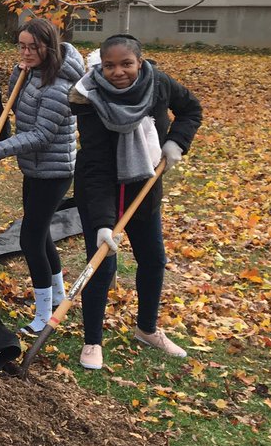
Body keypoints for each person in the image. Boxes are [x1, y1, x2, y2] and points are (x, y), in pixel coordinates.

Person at [70, 33, 201, 371]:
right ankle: (93, 341)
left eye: (126, 64)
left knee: (154, 259)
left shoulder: (157, 83)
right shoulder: (89, 96)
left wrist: (175, 143)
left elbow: (190, 110)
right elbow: (97, 164)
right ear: (102, 65)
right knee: (102, 264)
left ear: (139, 63)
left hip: (144, 182)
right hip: (101, 187)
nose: (118, 72)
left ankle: (147, 329)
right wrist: (102, 223)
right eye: (110, 65)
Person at [0, 18, 85, 332]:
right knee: (39, 235)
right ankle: (56, 296)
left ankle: (42, 318)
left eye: (33, 47)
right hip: (35, 167)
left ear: (48, 46)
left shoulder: (61, 86)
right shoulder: (28, 71)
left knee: (29, 239)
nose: (25, 52)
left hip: (54, 171)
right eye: (21, 46)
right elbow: (15, 106)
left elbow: (41, 135)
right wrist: (18, 73)